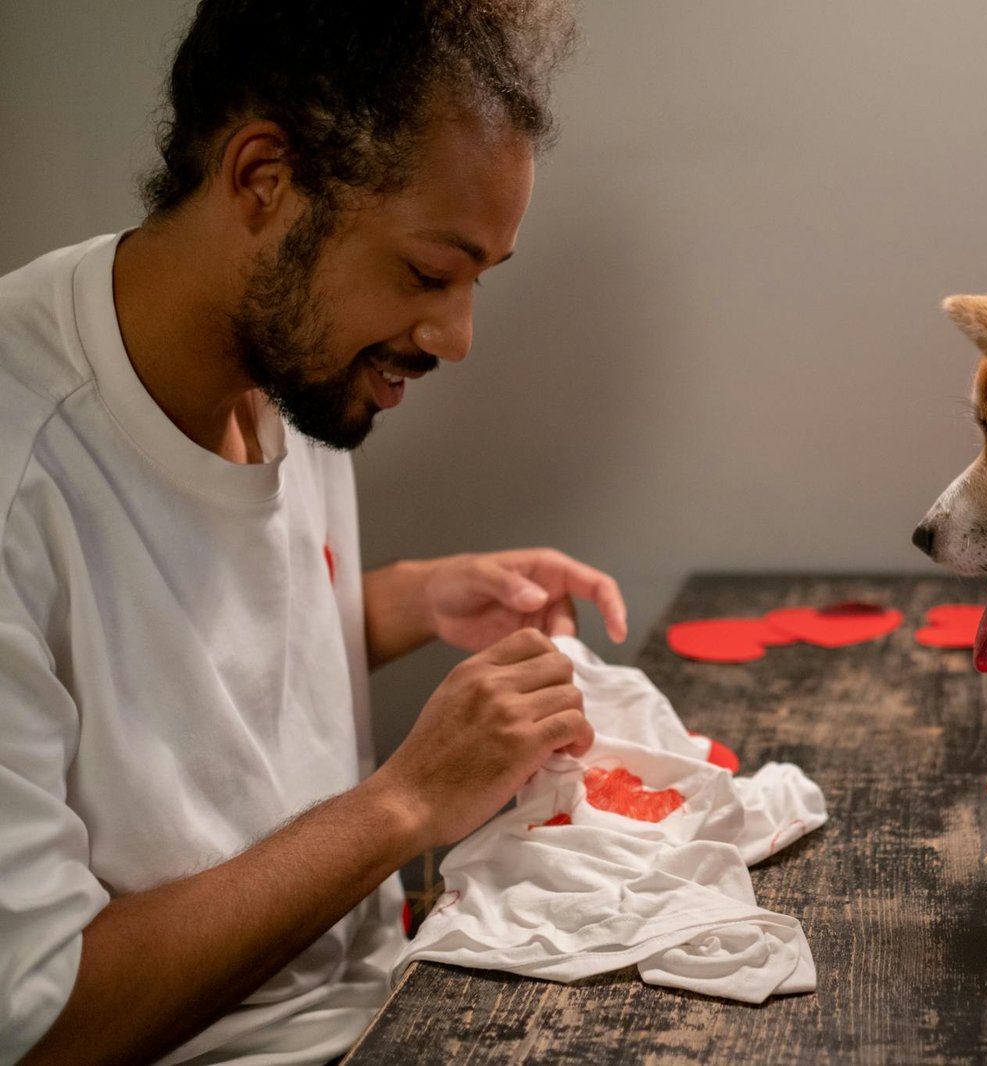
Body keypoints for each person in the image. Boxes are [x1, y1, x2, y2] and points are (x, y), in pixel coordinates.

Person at [0, 2, 627, 1062]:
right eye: (430, 273)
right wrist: (405, 803)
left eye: (478, 280)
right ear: (262, 180)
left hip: (383, 999)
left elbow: (183, 633)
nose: (455, 336)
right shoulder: (25, 465)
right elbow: (43, 1020)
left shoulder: (292, 367)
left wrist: (403, 599)